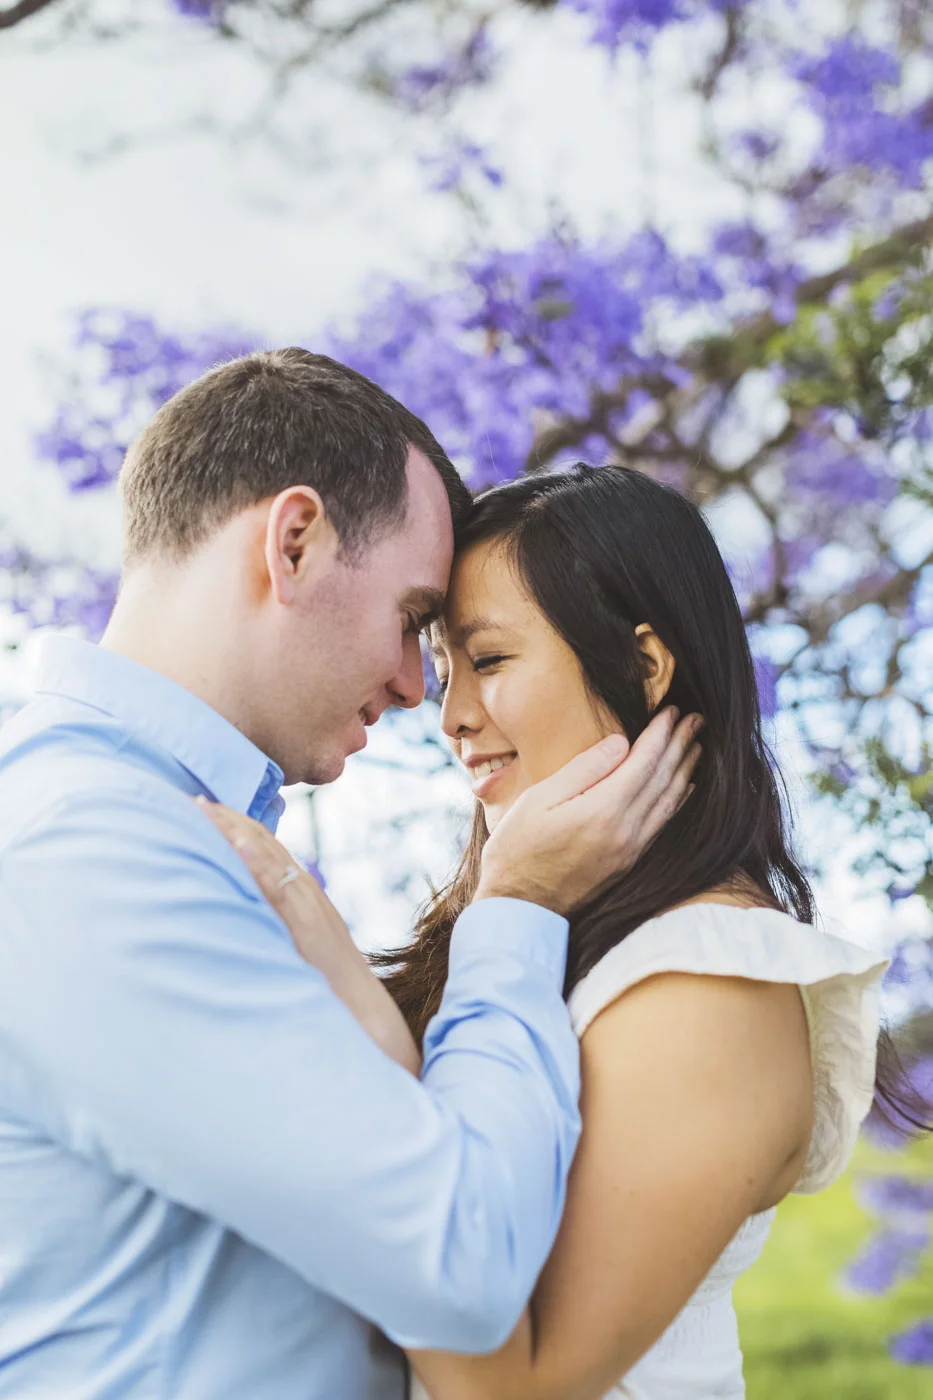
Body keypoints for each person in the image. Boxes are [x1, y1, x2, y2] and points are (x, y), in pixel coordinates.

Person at [0, 352, 701, 1400]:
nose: (423, 689)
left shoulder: (149, 824)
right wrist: (513, 910)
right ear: (294, 542)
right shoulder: (95, 848)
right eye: (418, 619)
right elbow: (460, 1267)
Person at [206, 462, 889, 1400]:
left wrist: (350, 979)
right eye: (444, 670)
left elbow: (514, 1383)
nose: (449, 716)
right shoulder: (549, 939)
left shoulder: (709, 978)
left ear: (645, 666)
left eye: (487, 661)